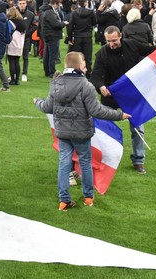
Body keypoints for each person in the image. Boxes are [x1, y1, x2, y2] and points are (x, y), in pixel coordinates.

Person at [34, 52, 130, 210]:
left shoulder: (55, 83)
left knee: (64, 164)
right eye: (84, 66)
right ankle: (88, 198)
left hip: (63, 132)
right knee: (85, 163)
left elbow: (47, 107)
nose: (86, 69)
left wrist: (37, 101)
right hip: (82, 133)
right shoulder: (86, 86)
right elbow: (97, 111)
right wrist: (119, 115)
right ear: (79, 66)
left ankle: (64, 200)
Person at [91, 25, 156, 173]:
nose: (111, 44)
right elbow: (95, 76)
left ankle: (139, 160)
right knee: (103, 128)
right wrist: (101, 87)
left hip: (132, 96)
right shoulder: (102, 53)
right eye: (108, 41)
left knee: (138, 129)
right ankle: (103, 158)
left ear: (120, 36)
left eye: (114, 40)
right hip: (110, 97)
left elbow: (152, 51)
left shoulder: (132, 45)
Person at [66, 0, 97, 77]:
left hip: (77, 36)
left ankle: (77, 72)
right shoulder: (91, 12)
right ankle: (88, 73)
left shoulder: (74, 13)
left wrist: (70, 38)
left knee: (77, 56)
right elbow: (94, 22)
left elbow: (70, 26)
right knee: (88, 56)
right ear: (86, 3)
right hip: (87, 36)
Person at [40, 0, 67, 78]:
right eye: (58, 4)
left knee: (47, 54)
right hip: (52, 35)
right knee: (52, 55)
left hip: (48, 35)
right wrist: (64, 23)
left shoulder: (47, 11)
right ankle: (52, 72)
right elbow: (55, 24)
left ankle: (48, 71)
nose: (58, 6)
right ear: (55, 3)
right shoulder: (50, 12)